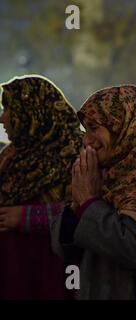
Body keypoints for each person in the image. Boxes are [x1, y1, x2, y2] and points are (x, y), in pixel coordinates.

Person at [51, 85, 136, 299]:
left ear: (123, 127)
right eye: (85, 130)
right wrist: (77, 205)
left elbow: (133, 251)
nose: (86, 140)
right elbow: (63, 249)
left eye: (94, 128)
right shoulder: (105, 173)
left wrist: (89, 203)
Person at [0, 75, 83, 299]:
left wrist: (28, 217)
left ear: (33, 112)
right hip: (15, 276)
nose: (2, 118)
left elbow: (89, 215)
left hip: (56, 279)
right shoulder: (13, 158)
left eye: (9, 108)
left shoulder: (76, 155)